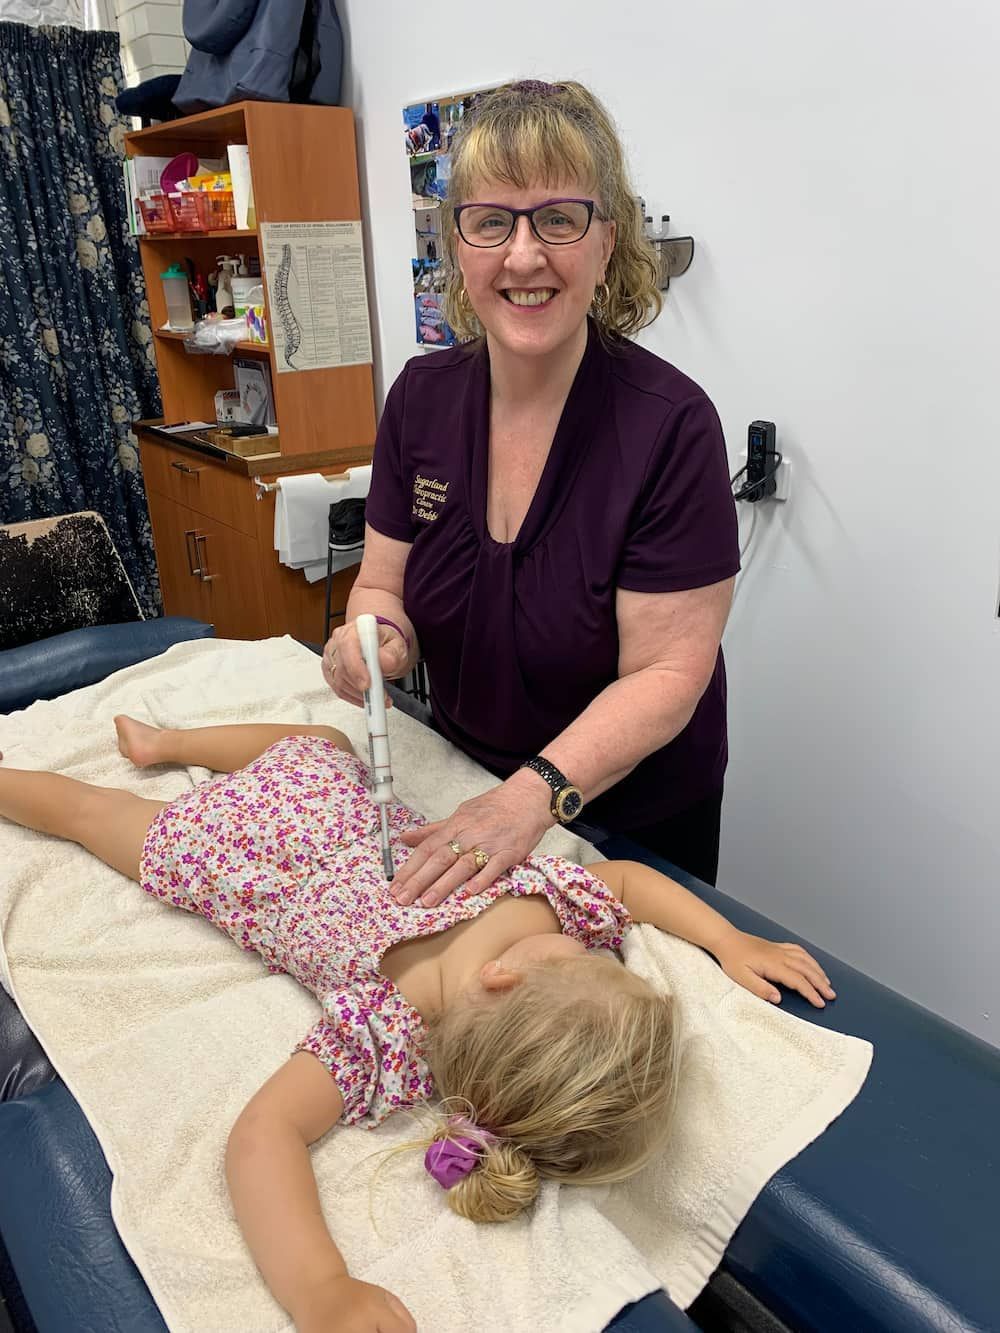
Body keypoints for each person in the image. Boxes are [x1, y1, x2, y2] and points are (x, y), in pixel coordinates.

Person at [0, 721, 833, 1333]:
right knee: (92, 812)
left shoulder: (407, 1009)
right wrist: (726, 938)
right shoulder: (407, 1022)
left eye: (593, 962)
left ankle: (164, 743)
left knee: (272, 751)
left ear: (507, 976)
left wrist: (321, 1288)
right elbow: (269, 1133)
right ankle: (160, 745)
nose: (601, 943)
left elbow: (258, 1137)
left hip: (249, 842)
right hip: (261, 839)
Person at [324, 79, 740, 911]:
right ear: (458, 246)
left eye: (558, 219)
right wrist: (374, 639)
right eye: (491, 222)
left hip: (630, 818)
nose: (523, 256)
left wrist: (529, 798)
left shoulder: (670, 426)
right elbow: (381, 583)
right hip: (466, 780)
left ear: (605, 241)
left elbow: (667, 672)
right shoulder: (420, 398)